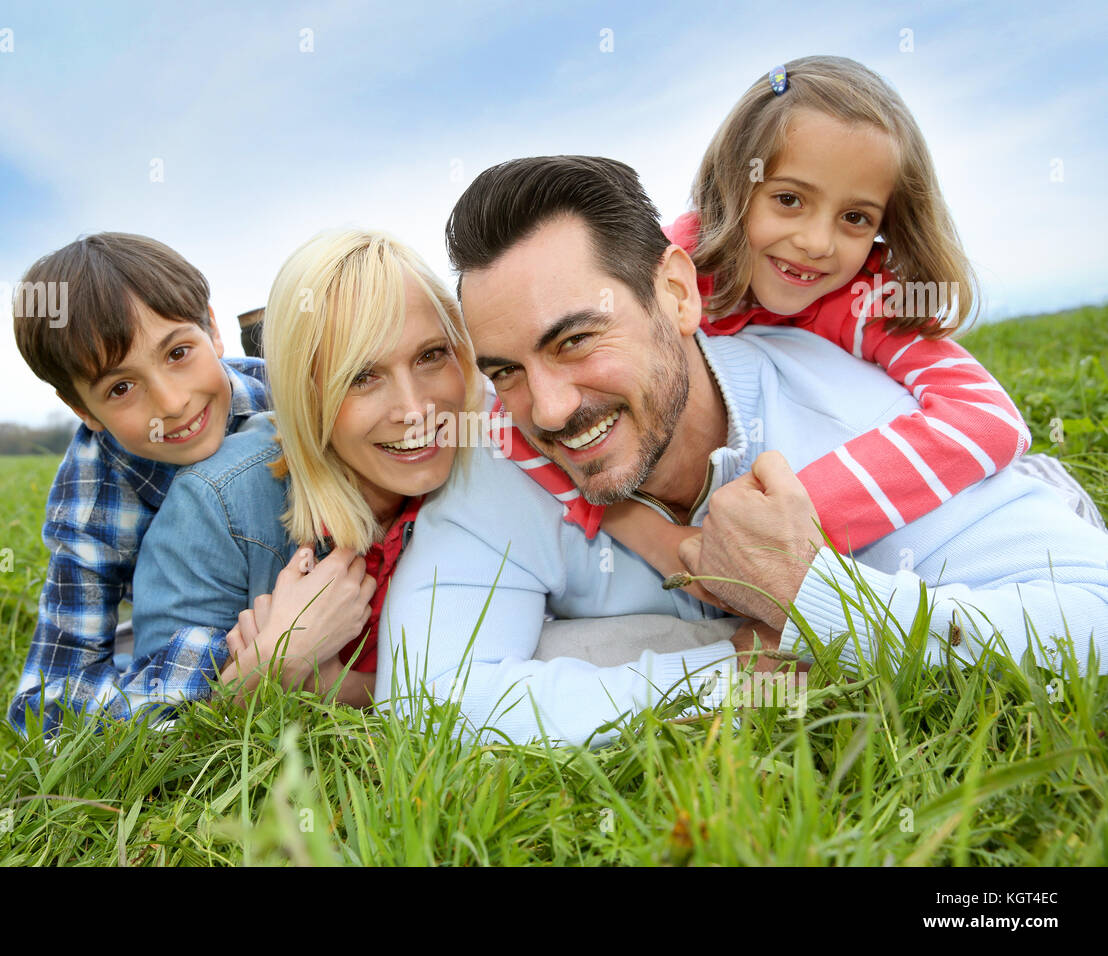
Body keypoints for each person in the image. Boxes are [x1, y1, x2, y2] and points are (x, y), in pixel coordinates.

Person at [374, 154, 1108, 748]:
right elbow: (423, 698)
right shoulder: (499, 466)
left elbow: (1094, 618)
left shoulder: (853, 418)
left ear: (676, 293)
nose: (551, 409)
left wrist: (817, 597)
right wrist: (734, 673)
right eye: (506, 371)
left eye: (575, 341)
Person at [499, 56, 1046, 576]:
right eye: (789, 199)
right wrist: (650, 535)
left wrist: (796, 513)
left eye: (855, 217)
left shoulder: (862, 297)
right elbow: (518, 404)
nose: (815, 242)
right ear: (735, 186)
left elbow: (988, 418)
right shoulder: (662, 277)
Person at [128, 228, 485, 715]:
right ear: (306, 395)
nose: (416, 410)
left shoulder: (495, 451)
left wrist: (339, 687)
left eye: (430, 355)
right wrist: (284, 660)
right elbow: (153, 740)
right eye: (362, 376)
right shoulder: (219, 505)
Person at [7, 233, 270, 736]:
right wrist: (237, 655)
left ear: (214, 330)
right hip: (195, 628)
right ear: (84, 411)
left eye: (178, 352)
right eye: (122, 388)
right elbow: (47, 708)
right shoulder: (93, 491)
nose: (171, 403)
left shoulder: (288, 391)